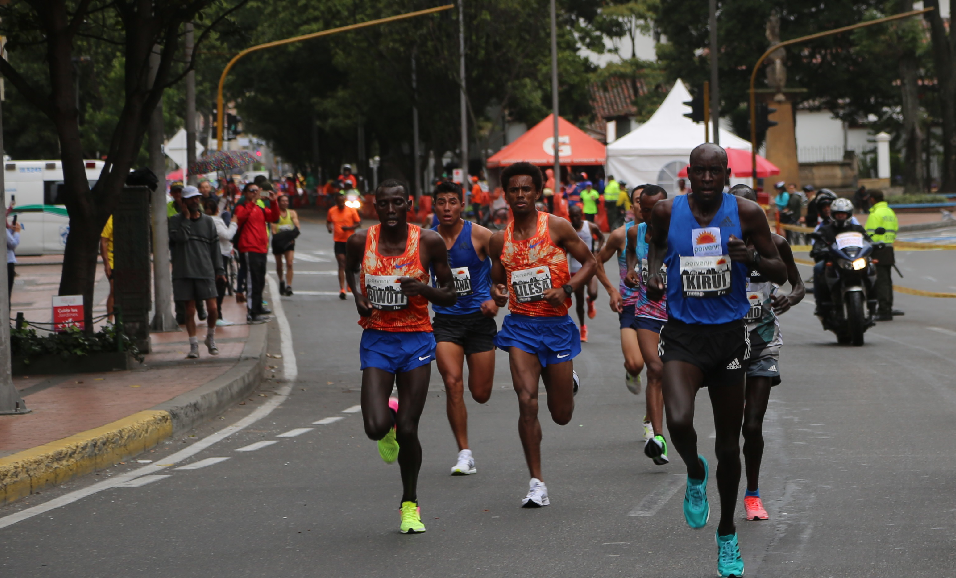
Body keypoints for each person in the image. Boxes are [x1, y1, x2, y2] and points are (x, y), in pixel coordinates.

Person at [644, 144, 787, 578]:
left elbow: (780, 270)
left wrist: (754, 259)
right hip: (684, 335)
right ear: (689, 174)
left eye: (715, 172)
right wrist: (652, 273)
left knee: (730, 446)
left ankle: (726, 534)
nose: (707, 179)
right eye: (700, 172)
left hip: (728, 338)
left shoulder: (747, 213)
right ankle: (693, 469)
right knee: (680, 421)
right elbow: (653, 248)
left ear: (727, 173)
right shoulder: (667, 211)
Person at [345, 179, 456, 534]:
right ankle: (387, 419)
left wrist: (423, 289)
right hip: (377, 339)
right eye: (383, 204)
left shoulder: (428, 242)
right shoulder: (361, 241)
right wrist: (358, 297)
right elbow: (350, 269)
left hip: (417, 341)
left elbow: (450, 294)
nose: (391, 210)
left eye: (397, 203)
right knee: (375, 427)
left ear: (409, 204)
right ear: (374, 207)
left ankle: (410, 503)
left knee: (410, 428)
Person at [488, 161, 596, 507]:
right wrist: (499, 293)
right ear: (505, 195)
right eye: (513, 190)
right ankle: (537, 482)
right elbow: (496, 280)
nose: (520, 195)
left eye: (526, 189)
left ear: (537, 192)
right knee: (526, 400)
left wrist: (567, 289)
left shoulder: (557, 227)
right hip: (521, 327)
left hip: (557, 327)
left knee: (562, 415)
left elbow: (590, 261)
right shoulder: (497, 240)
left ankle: (569, 379)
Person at [730, 184, 805, 521]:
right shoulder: (715, 244)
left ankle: (753, 495)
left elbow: (798, 285)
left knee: (752, 425)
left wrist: (790, 298)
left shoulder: (776, 244)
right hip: (725, 342)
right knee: (731, 427)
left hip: (762, 340)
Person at [430, 181, 498, 476]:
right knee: (452, 384)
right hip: (446, 321)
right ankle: (464, 453)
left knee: (480, 393)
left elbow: (505, 266)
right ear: (434, 205)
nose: (447, 207)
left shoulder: (481, 235)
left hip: (480, 320)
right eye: (441, 202)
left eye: (452, 202)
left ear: (462, 204)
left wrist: (497, 298)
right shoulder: (427, 239)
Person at [624, 184, 671, 465]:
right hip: (646, 312)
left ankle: (660, 419)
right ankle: (658, 437)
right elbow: (631, 252)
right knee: (654, 368)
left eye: (656, 209)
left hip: (677, 314)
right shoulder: (635, 232)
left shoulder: (679, 234)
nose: (650, 213)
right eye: (645, 208)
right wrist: (631, 269)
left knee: (672, 377)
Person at [594, 184, 646, 397]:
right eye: (638, 200)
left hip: (662, 308)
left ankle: (653, 420)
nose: (642, 205)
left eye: (647, 200)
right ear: (631, 205)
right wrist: (611, 290)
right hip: (630, 306)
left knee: (660, 368)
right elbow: (596, 261)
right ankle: (631, 372)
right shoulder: (620, 235)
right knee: (635, 364)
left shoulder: (668, 234)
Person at [169, 186, 226, 358]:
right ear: (183, 202)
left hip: (205, 271)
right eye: (191, 198)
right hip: (184, 272)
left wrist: (220, 269)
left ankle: (210, 337)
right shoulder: (174, 221)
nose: (195, 201)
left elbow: (215, 247)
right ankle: (194, 345)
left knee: (213, 309)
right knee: (189, 311)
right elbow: (180, 238)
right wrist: (186, 219)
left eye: (197, 198)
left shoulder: (208, 221)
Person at [811, 198, 869, 317]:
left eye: (843, 214)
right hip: (834, 261)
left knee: (872, 265)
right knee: (818, 268)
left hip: (854, 260)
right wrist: (818, 249)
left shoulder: (857, 228)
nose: (841, 216)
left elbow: (868, 240)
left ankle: (873, 299)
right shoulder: (825, 229)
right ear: (833, 215)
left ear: (849, 214)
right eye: (838, 214)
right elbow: (817, 243)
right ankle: (821, 304)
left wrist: (875, 244)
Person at [234, 182, 280, 322]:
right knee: (252, 281)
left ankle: (258, 307)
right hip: (249, 248)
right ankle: (251, 313)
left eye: (257, 190)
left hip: (261, 248)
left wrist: (273, 202)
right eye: (252, 191)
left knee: (259, 280)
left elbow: (274, 217)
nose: (255, 193)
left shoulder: (260, 209)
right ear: (246, 193)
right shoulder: (241, 208)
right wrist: (254, 201)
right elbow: (241, 217)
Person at [567, 205, 603, 342]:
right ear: (569, 216)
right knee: (579, 302)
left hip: (590, 267)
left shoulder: (590, 226)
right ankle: (582, 327)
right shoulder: (567, 229)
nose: (575, 219)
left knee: (593, 293)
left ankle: (591, 301)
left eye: (577, 216)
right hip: (576, 269)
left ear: (581, 215)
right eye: (572, 216)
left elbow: (601, 237)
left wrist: (597, 250)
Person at [864, 190, 901, 320]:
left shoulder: (875, 214)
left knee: (880, 281)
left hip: (878, 250)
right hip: (889, 249)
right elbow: (895, 229)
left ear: (873, 199)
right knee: (887, 281)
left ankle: (884, 310)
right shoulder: (889, 212)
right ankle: (887, 307)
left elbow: (869, 235)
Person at [205, 198, 237, 326]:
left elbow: (218, 211)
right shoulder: (215, 222)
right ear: (216, 210)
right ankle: (217, 314)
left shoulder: (208, 220)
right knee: (220, 284)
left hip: (218, 254)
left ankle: (216, 313)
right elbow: (228, 235)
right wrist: (234, 223)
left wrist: (224, 198)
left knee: (218, 284)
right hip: (220, 255)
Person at [327, 191, 362, 300]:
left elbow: (358, 223)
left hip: (350, 241)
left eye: (342, 201)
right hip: (338, 241)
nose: (341, 203)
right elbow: (328, 221)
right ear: (335, 201)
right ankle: (342, 289)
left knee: (350, 265)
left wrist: (349, 228)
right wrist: (329, 227)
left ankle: (349, 284)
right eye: (339, 202)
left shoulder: (351, 210)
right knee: (341, 263)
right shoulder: (332, 211)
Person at [271, 194, 300, 296]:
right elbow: (274, 232)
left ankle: (289, 286)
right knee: (279, 265)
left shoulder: (292, 213)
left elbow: (297, 228)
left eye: (286, 201)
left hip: (289, 242)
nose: (285, 203)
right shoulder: (275, 214)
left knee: (290, 263)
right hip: (278, 243)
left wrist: (290, 236)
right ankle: (281, 280)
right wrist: (288, 234)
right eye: (282, 201)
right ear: (278, 202)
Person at [100, 216, 115, 323]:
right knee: (114, 290)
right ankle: (110, 321)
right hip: (113, 261)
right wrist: (106, 264)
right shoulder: (110, 220)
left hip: (127, 261)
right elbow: (103, 241)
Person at [7, 218, 20, 300]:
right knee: (8, 291)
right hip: (8, 262)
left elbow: (7, 238)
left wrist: (11, 230)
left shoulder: (5, 230)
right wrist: (17, 232)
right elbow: (13, 243)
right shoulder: (3, 230)